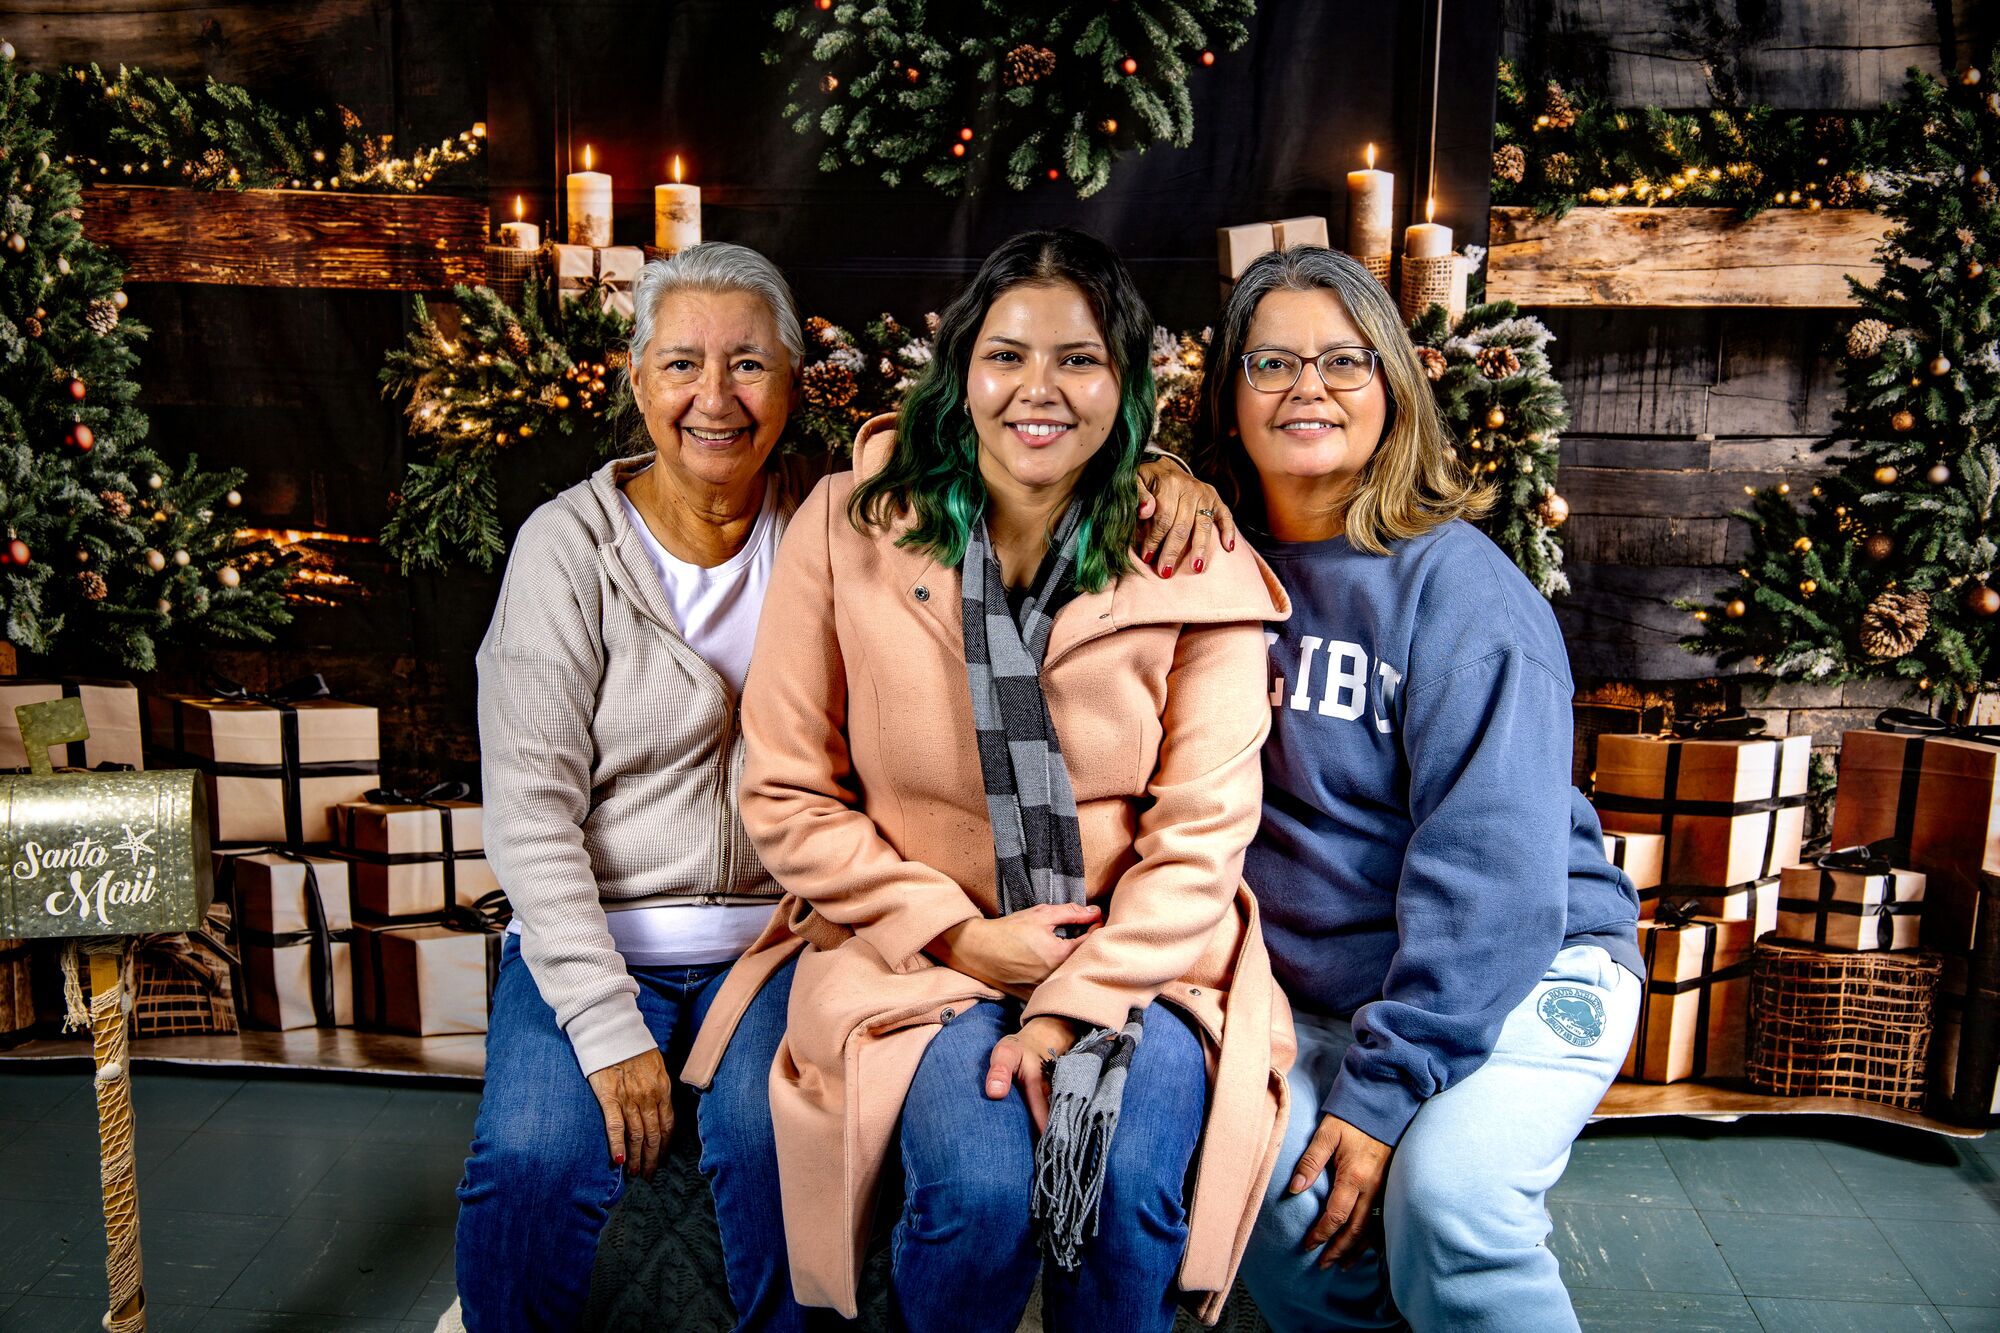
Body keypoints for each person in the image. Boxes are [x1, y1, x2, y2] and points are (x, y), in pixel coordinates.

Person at [456, 240, 1232, 1333]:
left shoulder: (835, 518)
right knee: (531, 1157)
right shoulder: (571, 549)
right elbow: (531, 811)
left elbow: (1026, 446)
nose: (714, 398)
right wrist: (602, 1021)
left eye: (748, 365)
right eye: (679, 364)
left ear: (794, 384)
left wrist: (1157, 467)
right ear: (635, 381)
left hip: (779, 930)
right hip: (605, 931)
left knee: (770, 1137)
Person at [683, 228, 1293, 1333]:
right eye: (1007, 355)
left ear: (1127, 384)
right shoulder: (849, 526)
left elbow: (1202, 838)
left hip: (1140, 957)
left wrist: (1068, 1006)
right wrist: (960, 936)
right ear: (962, 370)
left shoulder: (1193, 559)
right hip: (913, 945)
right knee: (975, 1194)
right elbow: (785, 789)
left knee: (1125, 1195)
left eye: (1079, 359)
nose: (1037, 389)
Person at [1198, 246, 1643, 1333]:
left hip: (1520, 966)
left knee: (1449, 1202)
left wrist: (1384, 1091)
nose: (1307, 387)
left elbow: (1491, 878)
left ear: (1392, 388)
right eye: (1271, 362)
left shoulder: (1463, 595)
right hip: (1314, 993)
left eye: (1343, 360)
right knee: (1277, 1196)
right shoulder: (1203, 573)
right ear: (1229, 400)